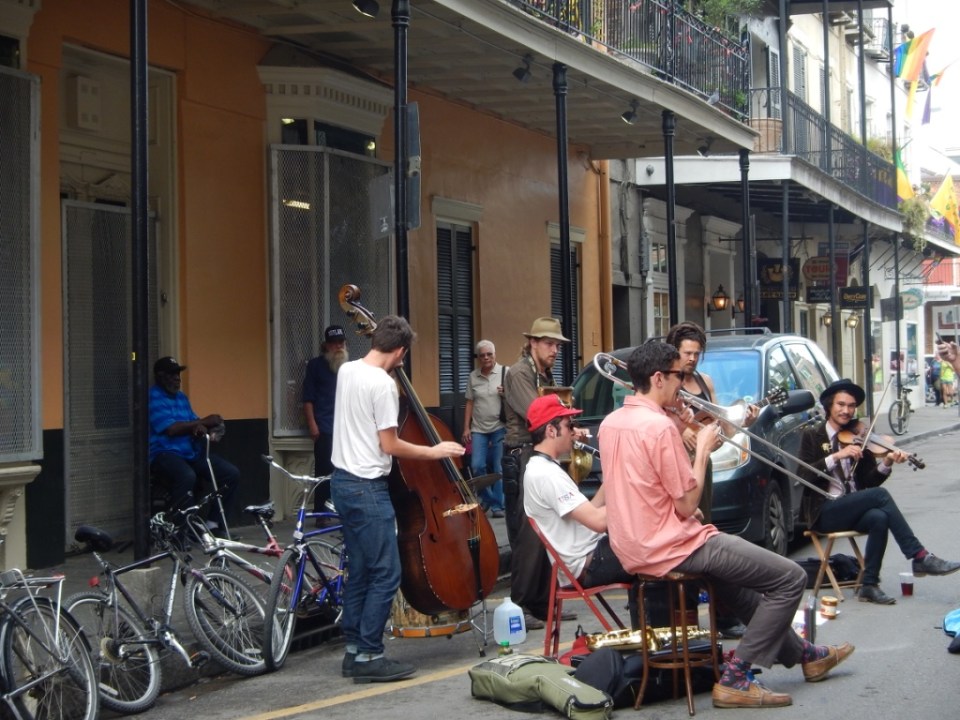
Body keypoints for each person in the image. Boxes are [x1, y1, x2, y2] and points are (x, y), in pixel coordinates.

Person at [599, 341, 854, 709]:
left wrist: (681, 428)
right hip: (671, 546)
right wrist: (702, 448)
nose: (682, 385)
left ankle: (808, 655)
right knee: (790, 579)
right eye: (677, 377)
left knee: (739, 589)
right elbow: (687, 504)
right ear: (657, 378)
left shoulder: (612, 423)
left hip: (634, 546)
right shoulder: (657, 427)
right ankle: (736, 677)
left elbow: (641, 488)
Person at [330, 315, 464, 684]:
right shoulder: (383, 387)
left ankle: (354, 652)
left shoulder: (348, 370)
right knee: (387, 573)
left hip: (341, 483)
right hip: (367, 487)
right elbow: (389, 446)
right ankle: (371, 654)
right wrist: (436, 451)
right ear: (401, 351)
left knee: (360, 570)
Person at [797, 378, 960, 605]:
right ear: (829, 407)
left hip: (850, 507)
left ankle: (869, 585)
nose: (846, 411)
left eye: (851, 406)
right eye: (841, 405)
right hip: (824, 511)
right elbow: (803, 476)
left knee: (879, 516)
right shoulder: (812, 436)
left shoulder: (859, 437)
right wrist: (837, 456)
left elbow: (869, 482)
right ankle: (919, 555)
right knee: (880, 498)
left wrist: (888, 462)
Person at [665, 321, 756, 639]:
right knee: (687, 545)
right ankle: (685, 620)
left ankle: (723, 615)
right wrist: (685, 430)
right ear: (675, 351)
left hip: (703, 469)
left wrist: (742, 420)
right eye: (686, 352)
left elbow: (725, 429)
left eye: (696, 353)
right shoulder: (666, 383)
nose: (691, 358)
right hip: (676, 468)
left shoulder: (705, 381)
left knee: (707, 537)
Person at [502, 316, 578, 629]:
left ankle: (544, 603)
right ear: (532, 342)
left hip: (537, 453)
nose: (555, 349)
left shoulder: (541, 372)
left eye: (558, 345)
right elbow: (535, 415)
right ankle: (522, 606)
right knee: (528, 531)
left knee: (546, 529)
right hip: (521, 454)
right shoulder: (520, 372)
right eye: (549, 343)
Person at [522, 394, 634, 591]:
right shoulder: (546, 475)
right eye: (569, 426)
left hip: (590, 554)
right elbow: (599, 522)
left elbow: (590, 511)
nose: (573, 432)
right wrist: (637, 501)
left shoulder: (546, 468)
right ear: (551, 430)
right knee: (656, 547)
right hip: (589, 562)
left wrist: (614, 473)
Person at [149, 356, 239, 533]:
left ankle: (214, 524)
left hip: (190, 451)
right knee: (186, 476)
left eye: (178, 374)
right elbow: (171, 429)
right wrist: (203, 421)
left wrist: (202, 425)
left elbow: (192, 421)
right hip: (164, 453)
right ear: (160, 376)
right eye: (172, 374)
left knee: (230, 474)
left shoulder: (181, 398)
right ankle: (181, 529)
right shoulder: (153, 397)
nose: (177, 378)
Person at [302, 325, 348, 514]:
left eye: (341, 343)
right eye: (334, 343)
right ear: (326, 345)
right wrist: (313, 424)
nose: (338, 347)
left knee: (345, 470)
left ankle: (341, 508)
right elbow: (307, 398)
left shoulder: (350, 367)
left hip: (346, 427)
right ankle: (321, 512)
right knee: (323, 471)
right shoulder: (315, 366)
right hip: (325, 426)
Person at [462, 340, 506, 518]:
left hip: (499, 427)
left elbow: (516, 397)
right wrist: (466, 427)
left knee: (498, 468)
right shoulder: (473, 377)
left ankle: (497, 505)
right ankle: (486, 497)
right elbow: (470, 402)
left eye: (489, 354)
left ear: (495, 355)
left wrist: (506, 393)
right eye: (482, 355)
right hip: (478, 428)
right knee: (477, 465)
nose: (486, 357)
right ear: (478, 358)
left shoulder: (505, 373)